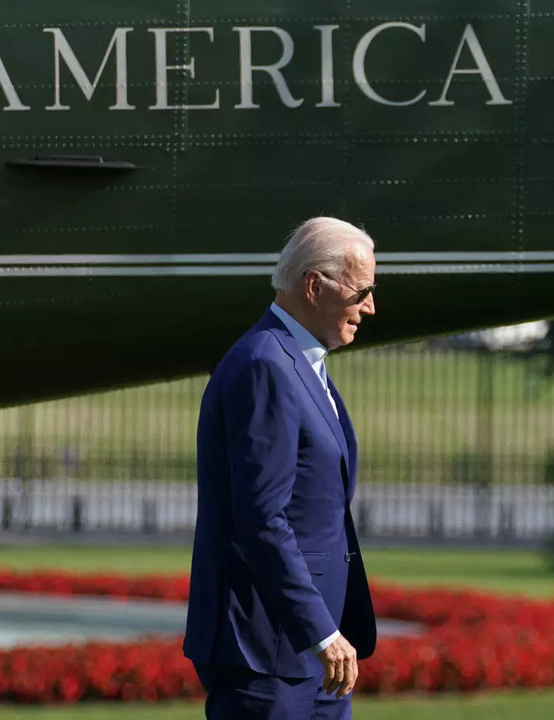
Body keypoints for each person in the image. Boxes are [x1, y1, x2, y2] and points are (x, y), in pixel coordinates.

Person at [183, 216, 379, 719]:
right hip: (268, 651)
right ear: (315, 286)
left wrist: (326, 635)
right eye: (362, 291)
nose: (370, 307)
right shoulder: (264, 366)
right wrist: (320, 631)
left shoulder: (299, 361)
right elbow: (262, 520)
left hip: (313, 652)